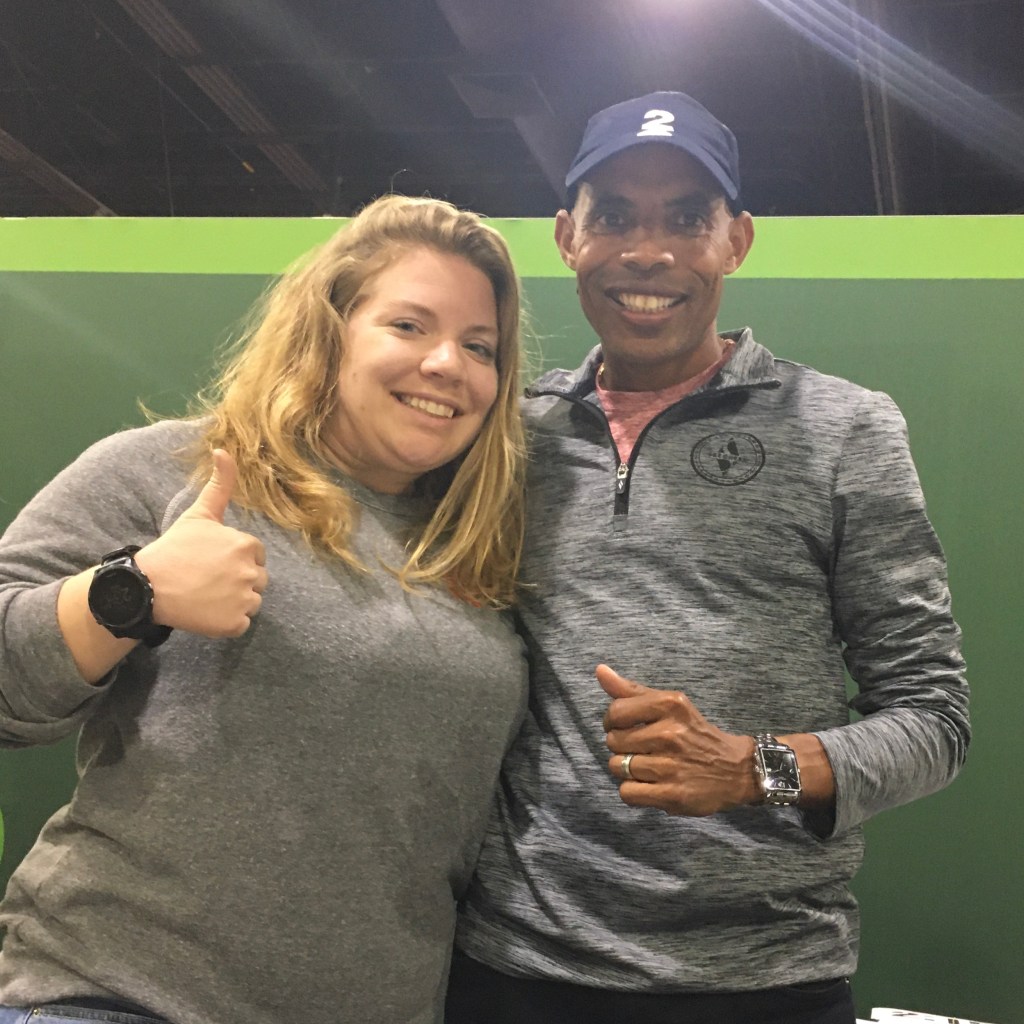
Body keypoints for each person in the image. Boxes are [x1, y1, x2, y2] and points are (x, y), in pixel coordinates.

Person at [447, 92, 970, 1024]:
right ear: (568, 236)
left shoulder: (847, 428)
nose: (649, 253)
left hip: (765, 984)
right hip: (512, 972)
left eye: (688, 218)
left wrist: (751, 766)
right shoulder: (506, 434)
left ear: (738, 240)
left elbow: (934, 722)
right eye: (615, 215)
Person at [0, 194, 529, 1024]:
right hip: (120, 997)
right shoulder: (177, 469)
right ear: (330, 331)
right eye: (408, 326)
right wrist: (130, 593)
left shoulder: (475, 551)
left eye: (478, 345)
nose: (446, 364)